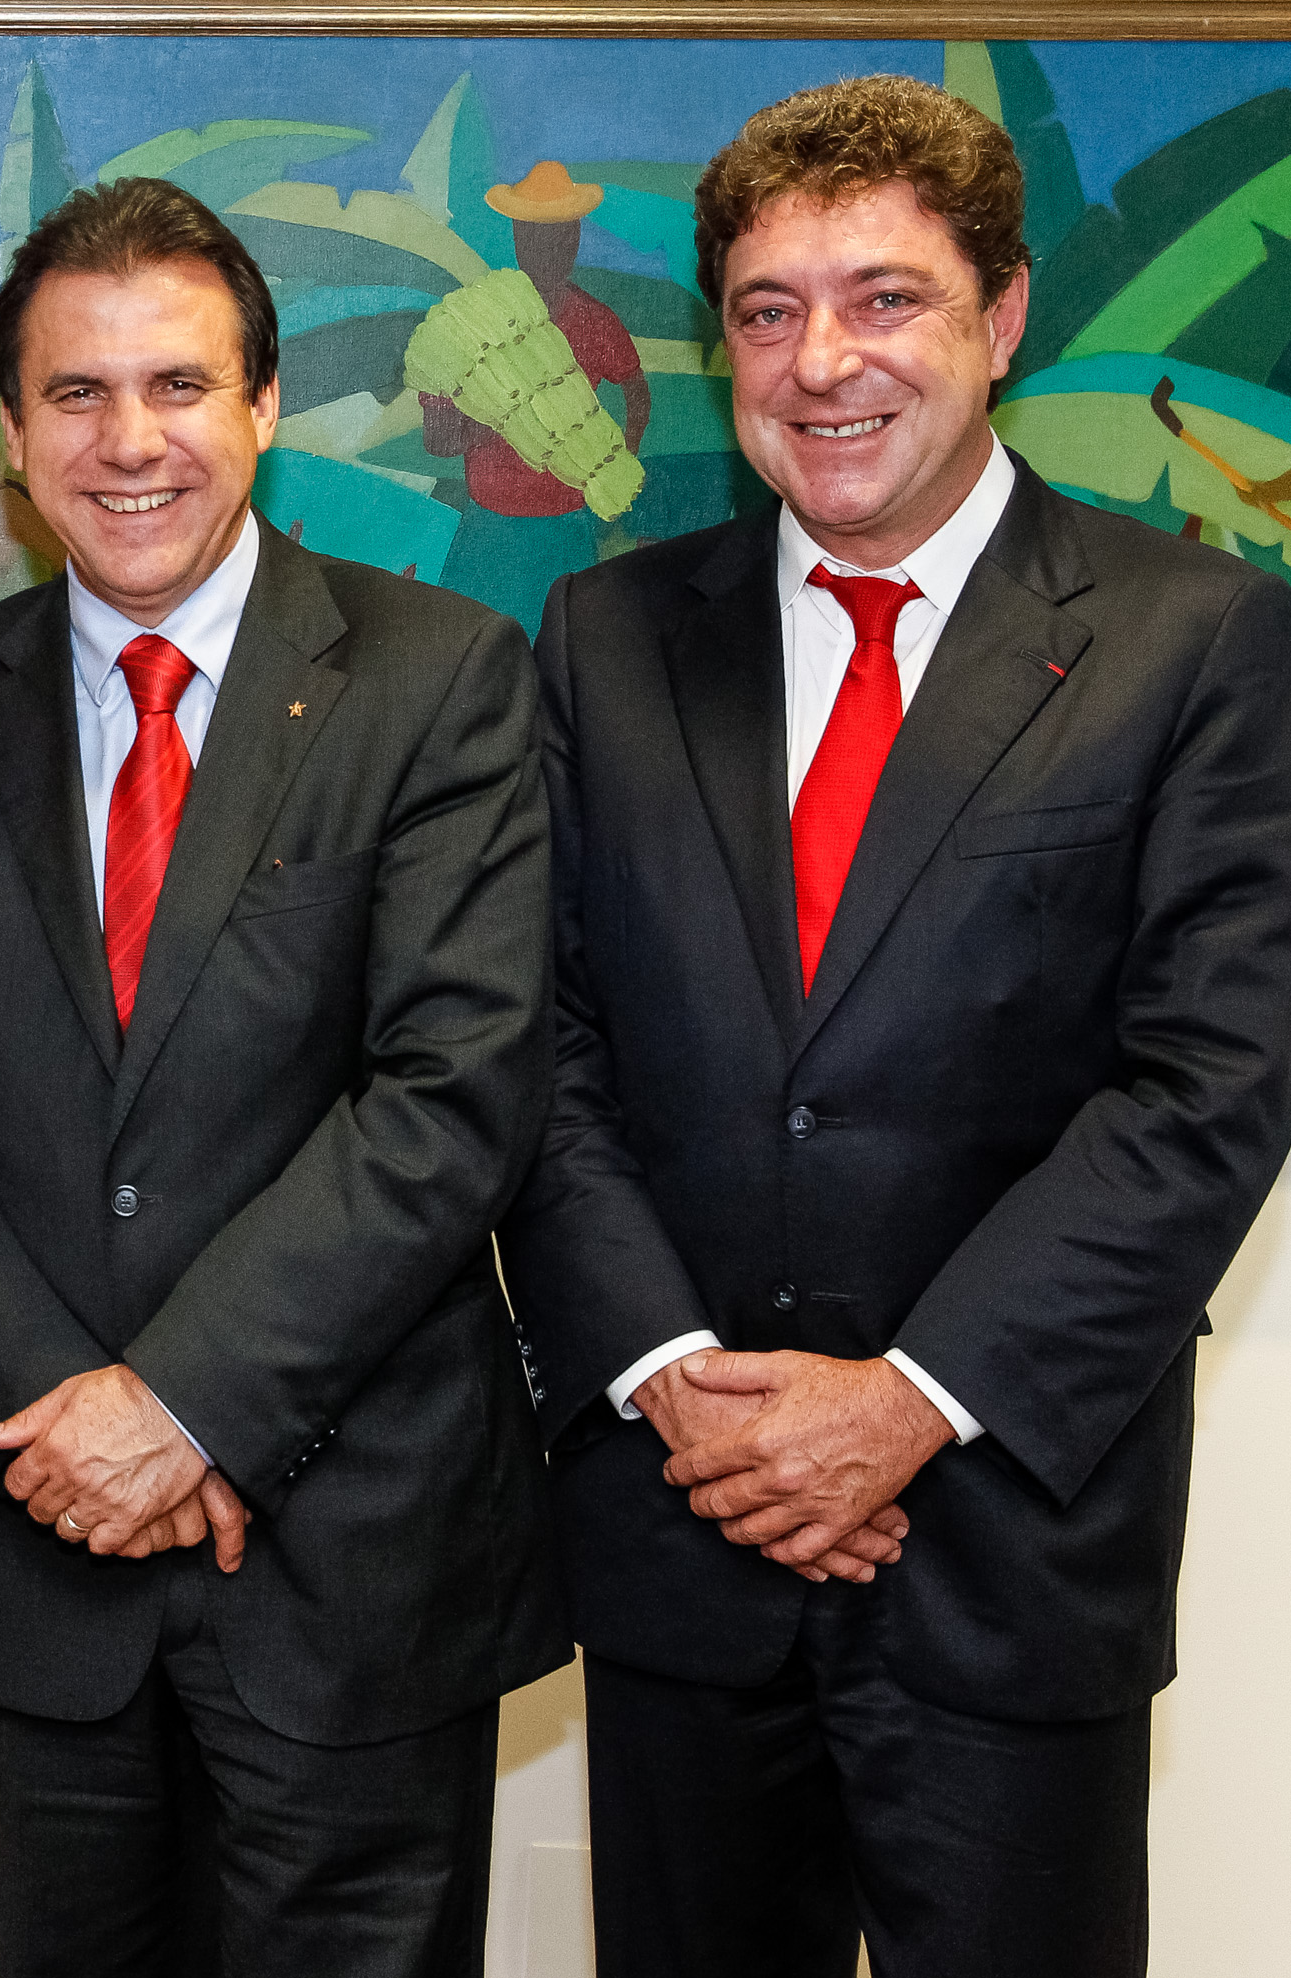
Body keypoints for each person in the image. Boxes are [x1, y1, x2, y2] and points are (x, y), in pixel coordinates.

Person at [500, 75, 1291, 1978]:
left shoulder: (1197, 633)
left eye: (885, 298)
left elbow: (1211, 1080)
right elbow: (538, 1044)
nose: (820, 359)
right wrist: (680, 1377)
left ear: (1002, 317)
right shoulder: (604, 637)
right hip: (684, 1533)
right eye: (767, 309)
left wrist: (904, 1404)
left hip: (1009, 1547)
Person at [0, 177, 564, 1977]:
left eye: (178, 386)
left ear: (260, 408)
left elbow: (448, 1095)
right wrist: (66, 1418)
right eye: (76, 396)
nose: (130, 441)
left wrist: (179, 1406)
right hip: (45, 1541)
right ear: (14, 437)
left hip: (351, 1552)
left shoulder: (439, 678)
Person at [423, 161, 653, 635]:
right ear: (517, 238)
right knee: (472, 663)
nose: (551, 249)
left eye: (562, 235)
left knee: (563, 665)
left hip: (565, 530)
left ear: (576, 239)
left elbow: (637, 391)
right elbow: (438, 441)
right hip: (489, 532)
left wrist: (617, 460)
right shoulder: (471, 323)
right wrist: (496, 417)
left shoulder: (595, 321)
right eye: (537, 235)